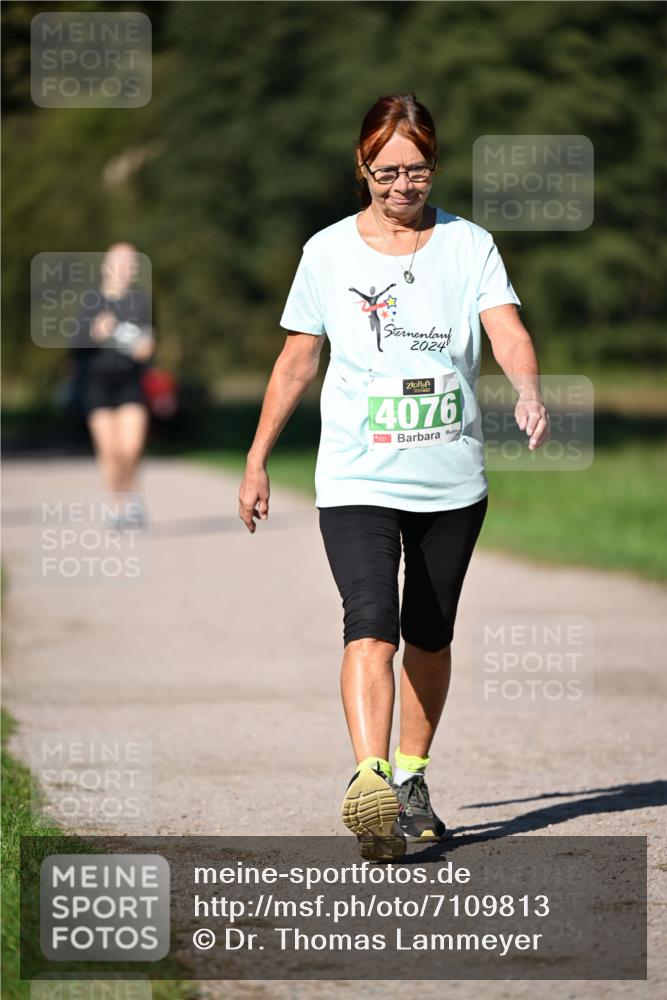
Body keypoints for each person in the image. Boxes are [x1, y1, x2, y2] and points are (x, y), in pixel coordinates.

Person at [239, 94, 550, 861]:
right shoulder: (326, 253)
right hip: (355, 477)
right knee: (369, 621)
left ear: (433, 167)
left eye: (416, 170)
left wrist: (529, 388)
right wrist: (256, 457)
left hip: (449, 479)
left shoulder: (467, 244)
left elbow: (505, 328)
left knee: (428, 633)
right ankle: (370, 782)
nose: (402, 185)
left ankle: (412, 780)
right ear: (362, 168)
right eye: (386, 171)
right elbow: (295, 362)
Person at [73, 242, 155, 529]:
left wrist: (147, 347)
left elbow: (149, 341)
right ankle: (118, 505)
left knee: (131, 448)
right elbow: (75, 346)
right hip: (96, 385)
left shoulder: (141, 301)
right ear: (106, 266)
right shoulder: (89, 301)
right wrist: (94, 333)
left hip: (130, 383)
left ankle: (132, 497)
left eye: (131, 263)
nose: (126, 267)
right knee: (110, 451)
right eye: (120, 262)